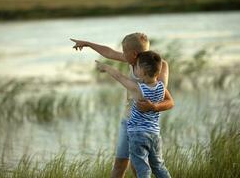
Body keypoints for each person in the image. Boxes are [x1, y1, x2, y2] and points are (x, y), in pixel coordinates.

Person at [71, 33, 173, 178]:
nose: (122, 56)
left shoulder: (158, 66)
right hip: (128, 122)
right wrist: (87, 43)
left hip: (144, 127)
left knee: (140, 168)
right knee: (120, 164)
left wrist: (153, 107)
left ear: (134, 54)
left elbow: (166, 98)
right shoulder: (132, 60)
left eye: (125, 52)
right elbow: (109, 53)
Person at [95, 50, 172, 178]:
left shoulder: (138, 89)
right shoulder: (162, 88)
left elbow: (119, 77)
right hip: (154, 134)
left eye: (138, 67)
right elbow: (163, 67)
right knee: (159, 167)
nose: (136, 69)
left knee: (143, 170)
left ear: (143, 72)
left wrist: (105, 67)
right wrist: (160, 63)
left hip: (137, 135)